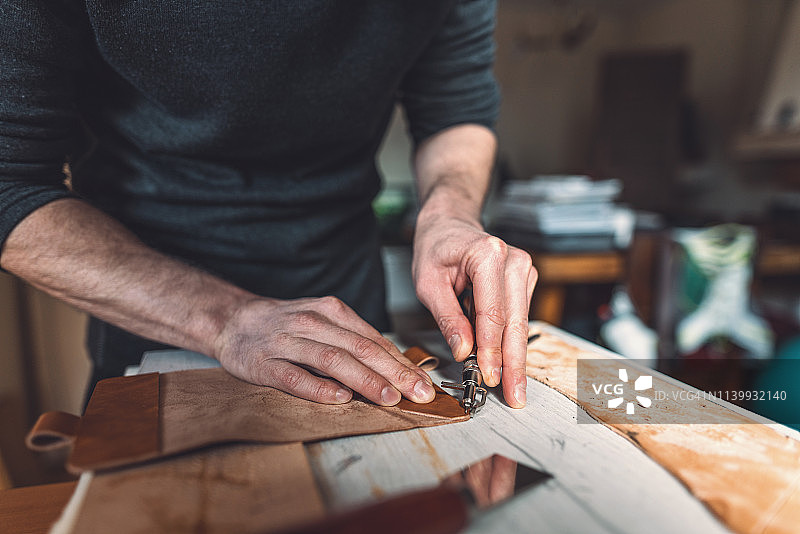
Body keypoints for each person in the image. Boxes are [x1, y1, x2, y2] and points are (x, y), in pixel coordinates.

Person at [0, 1, 536, 409]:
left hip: (354, 315)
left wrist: (449, 212)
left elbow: (453, 105)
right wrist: (223, 320)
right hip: (158, 329)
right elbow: (12, 188)